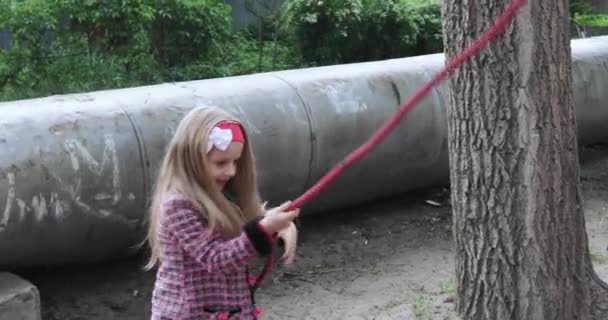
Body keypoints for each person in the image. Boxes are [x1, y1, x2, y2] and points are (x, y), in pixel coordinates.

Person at [144, 106, 300, 320]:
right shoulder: (177, 205)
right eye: (221, 163)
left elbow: (246, 229)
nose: (231, 171)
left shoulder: (224, 194)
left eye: (235, 161)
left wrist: (275, 226)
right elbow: (216, 259)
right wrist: (265, 228)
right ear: (191, 159)